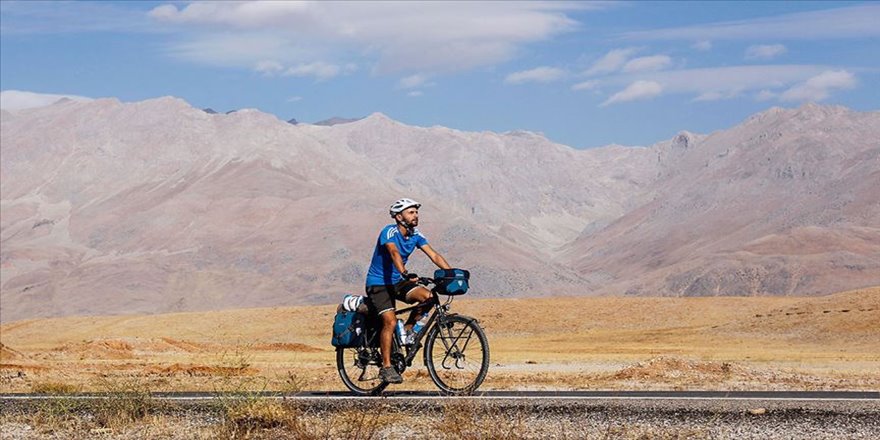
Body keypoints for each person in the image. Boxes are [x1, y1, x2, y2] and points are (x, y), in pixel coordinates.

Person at [365, 198, 451, 384]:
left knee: (429, 297)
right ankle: (386, 367)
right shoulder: (389, 232)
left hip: (397, 282)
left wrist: (450, 273)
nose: (416, 215)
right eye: (411, 212)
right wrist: (404, 272)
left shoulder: (416, 235)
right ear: (399, 217)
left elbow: (434, 255)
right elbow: (394, 252)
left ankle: (408, 330)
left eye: (416, 212)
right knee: (390, 321)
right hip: (379, 284)